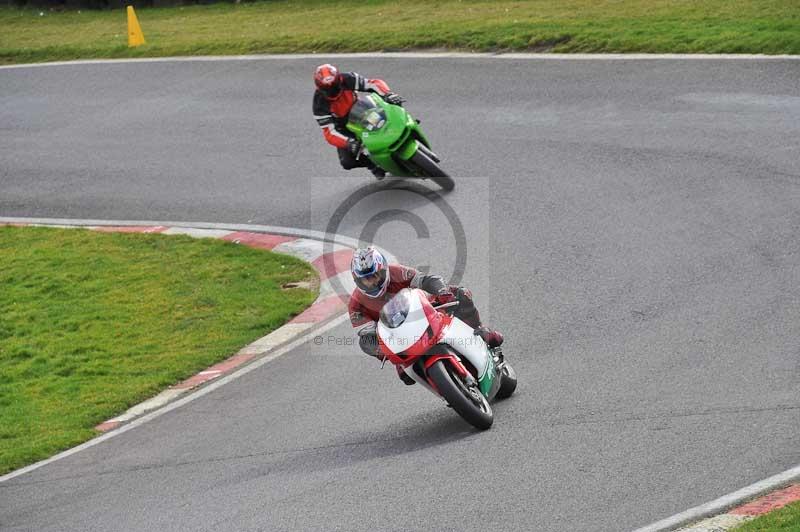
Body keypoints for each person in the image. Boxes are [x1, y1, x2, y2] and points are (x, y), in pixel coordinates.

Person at [348, 247, 503, 385]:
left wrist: (442, 292)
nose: (372, 282)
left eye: (375, 275)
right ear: (357, 280)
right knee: (405, 377)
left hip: (423, 313)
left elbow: (427, 280)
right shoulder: (356, 305)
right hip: (399, 340)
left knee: (460, 294)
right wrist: (381, 351)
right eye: (366, 279)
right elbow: (367, 336)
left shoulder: (397, 272)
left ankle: (480, 331)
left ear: (384, 270)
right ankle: (442, 385)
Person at [313, 63, 406, 179]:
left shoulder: (347, 78)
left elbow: (372, 83)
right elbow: (329, 132)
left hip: (361, 111)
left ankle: (406, 124)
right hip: (343, 127)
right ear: (320, 88)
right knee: (347, 162)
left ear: (339, 80)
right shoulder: (318, 104)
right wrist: (348, 142)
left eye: (335, 86)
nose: (333, 92)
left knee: (392, 105)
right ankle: (372, 165)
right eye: (328, 90)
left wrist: (387, 94)